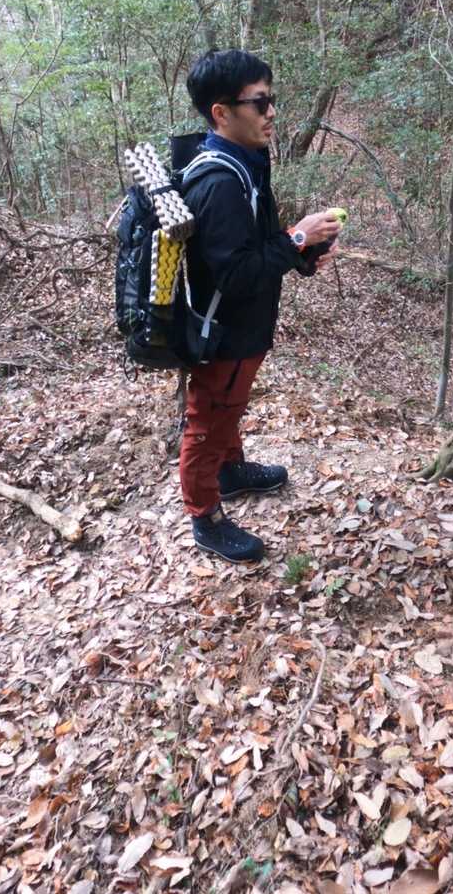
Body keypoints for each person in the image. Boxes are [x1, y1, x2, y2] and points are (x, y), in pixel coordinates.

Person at [177, 49, 342, 564]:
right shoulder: (219, 182)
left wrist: (303, 250)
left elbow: (256, 245)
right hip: (222, 331)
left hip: (245, 326)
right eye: (259, 102)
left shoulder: (246, 162)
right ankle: (205, 516)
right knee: (208, 417)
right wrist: (297, 238)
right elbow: (233, 274)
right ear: (221, 113)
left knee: (229, 406)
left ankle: (229, 471)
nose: (271, 112)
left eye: (272, 99)